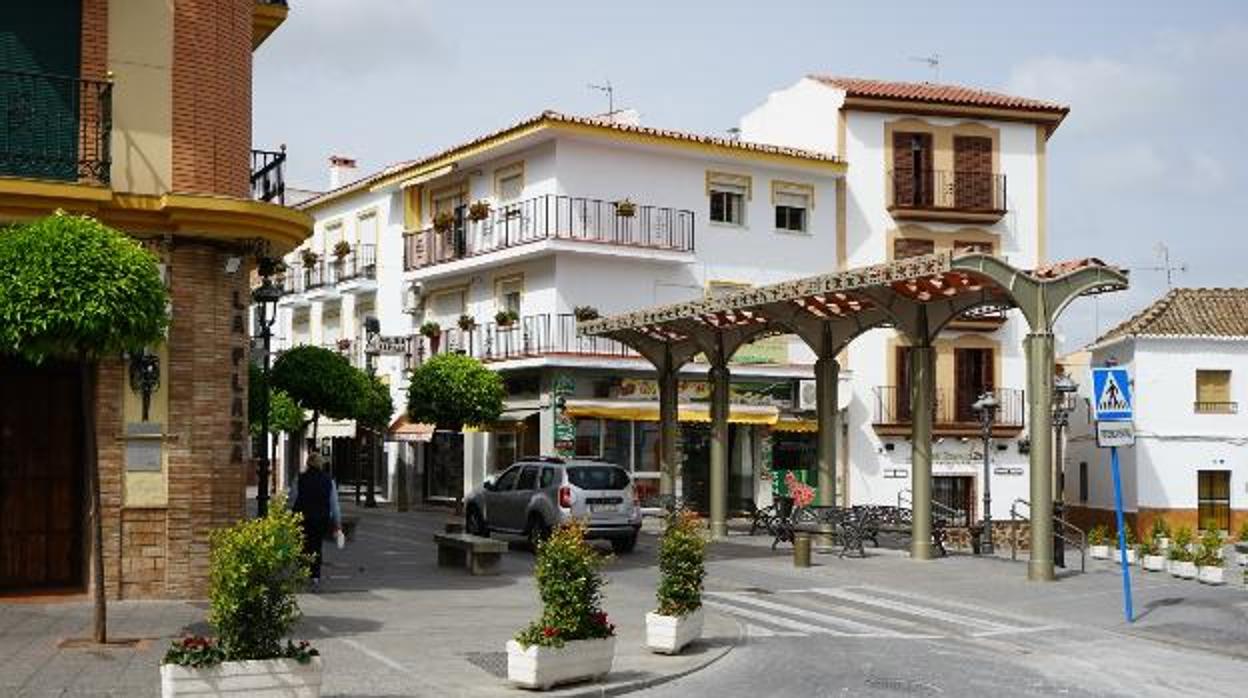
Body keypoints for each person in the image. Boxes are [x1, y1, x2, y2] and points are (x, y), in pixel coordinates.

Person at [290, 451, 340, 590]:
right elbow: (334, 505)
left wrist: (287, 515)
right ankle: (315, 576)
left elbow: (292, 499)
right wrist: (337, 522)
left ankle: (301, 573)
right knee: (316, 546)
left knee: (302, 545)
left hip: (302, 517)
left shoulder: (299, 478)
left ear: (307, 463)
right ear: (321, 464)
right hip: (321, 519)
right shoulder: (328, 480)